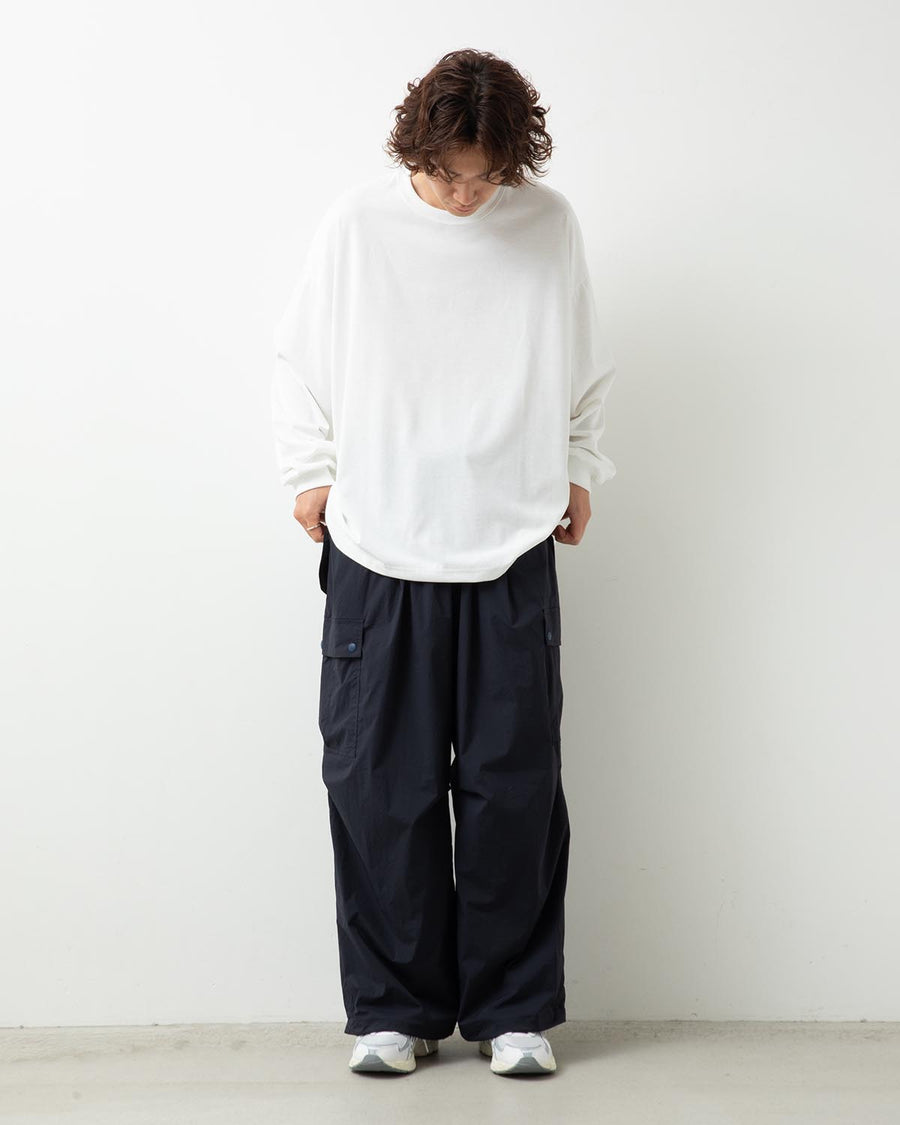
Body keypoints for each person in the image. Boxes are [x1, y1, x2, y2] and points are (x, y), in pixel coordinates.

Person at [271, 48, 617, 1077]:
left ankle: (513, 1011)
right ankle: (394, 1009)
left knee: (514, 786)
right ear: (414, 149)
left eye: (486, 177)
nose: (468, 196)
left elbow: (585, 360)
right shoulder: (358, 226)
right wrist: (309, 471)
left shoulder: (547, 223)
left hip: (510, 537)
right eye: (448, 175)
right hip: (378, 540)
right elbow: (299, 360)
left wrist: (580, 466)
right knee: (380, 786)